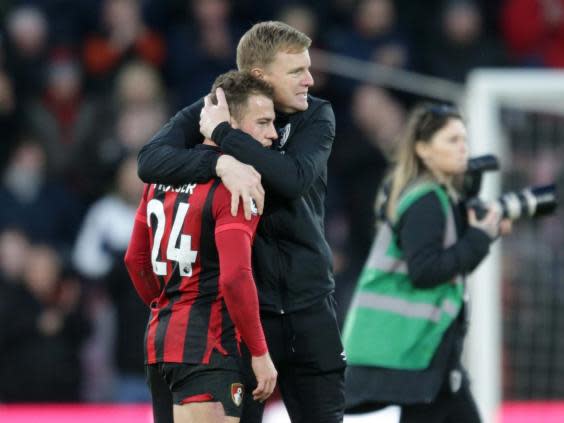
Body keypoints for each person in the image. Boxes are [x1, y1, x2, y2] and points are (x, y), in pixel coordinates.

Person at [137, 21, 346, 423]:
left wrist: (223, 138)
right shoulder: (217, 105)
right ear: (259, 76)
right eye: (297, 71)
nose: (310, 79)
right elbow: (149, 162)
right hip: (248, 317)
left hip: (311, 308)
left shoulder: (317, 115)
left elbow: (293, 179)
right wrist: (218, 162)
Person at [125, 71, 278, 423]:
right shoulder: (237, 187)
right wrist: (259, 351)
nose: (273, 133)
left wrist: (169, 304)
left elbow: (135, 260)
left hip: (159, 346)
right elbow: (235, 278)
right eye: (264, 122)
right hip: (209, 349)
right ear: (229, 123)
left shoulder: (163, 178)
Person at [342, 103, 510, 423]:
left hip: (431, 354)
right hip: (418, 350)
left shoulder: (435, 196)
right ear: (423, 150)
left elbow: (450, 267)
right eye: (452, 140)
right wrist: (478, 239)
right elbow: (426, 272)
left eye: (464, 139)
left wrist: (482, 237)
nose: (463, 148)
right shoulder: (427, 201)